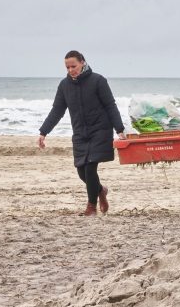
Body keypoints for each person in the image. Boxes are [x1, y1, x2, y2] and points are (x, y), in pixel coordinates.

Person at [38, 51, 126, 216]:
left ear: (83, 63)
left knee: (90, 168)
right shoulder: (64, 85)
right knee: (81, 170)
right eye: (67, 67)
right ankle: (101, 190)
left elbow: (110, 105)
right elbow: (57, 110)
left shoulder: (98, 81)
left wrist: (119, 129)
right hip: (80, 132)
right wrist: (44, 132)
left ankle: (91, 207)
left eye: (74, 66)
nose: (71, 70)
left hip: (100, 130)